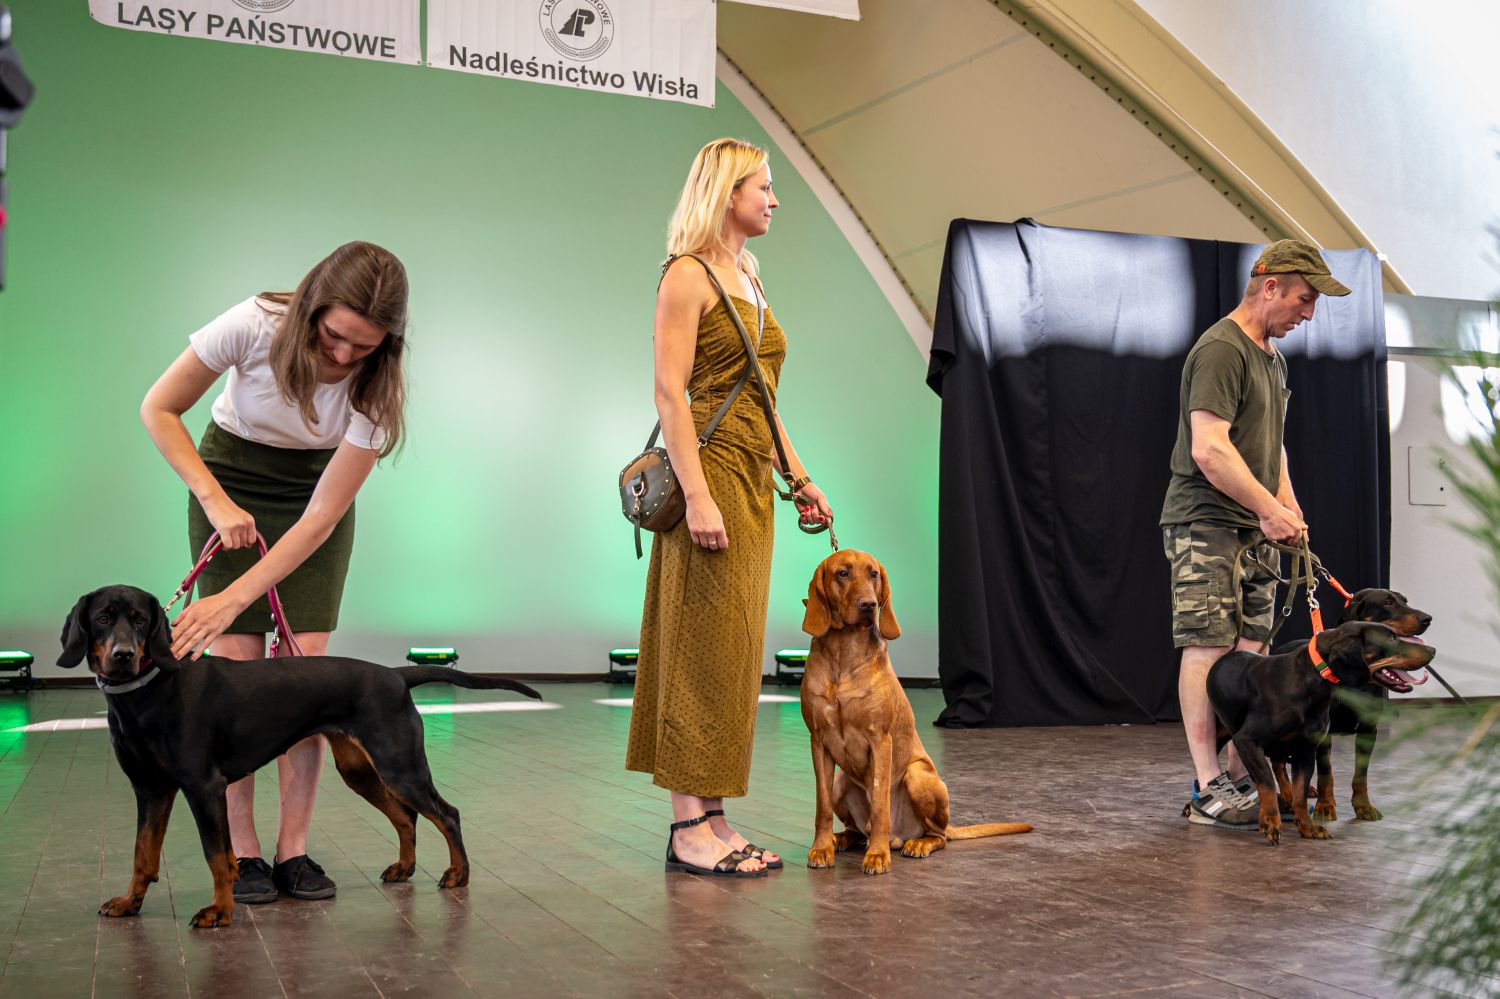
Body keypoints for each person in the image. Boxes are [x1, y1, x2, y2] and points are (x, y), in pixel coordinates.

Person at [140, 241, 409, 900]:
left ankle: (294, 852)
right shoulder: (255, 324)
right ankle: (243, 854)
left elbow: (319, 519)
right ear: (312, 306)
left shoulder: (379, 388)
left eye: (363, 345)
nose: (343, 355)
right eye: (334, 335)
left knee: (303, 673)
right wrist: (214, 500)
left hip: (314, 498)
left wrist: (233, 597)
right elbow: (158, 408)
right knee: (235, 676)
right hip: (228, 477)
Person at [625, 138, 833, 877]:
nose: (774, 199)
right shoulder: (687, 274)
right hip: (707, 476)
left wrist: (800, 478)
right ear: (725, 192)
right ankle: (688, 827)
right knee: (696, 649)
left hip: (750, 480)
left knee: (731, 654)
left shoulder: (750, 275)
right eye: (763, 186)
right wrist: (700, 496)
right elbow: (670, 393)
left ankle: (714, 816)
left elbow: (764, 401)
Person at [1160, 239, 1350, 829]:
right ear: (1270, 287)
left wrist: (1286, 505)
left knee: (1253, 653)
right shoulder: (1223, 349)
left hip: (1255, 527)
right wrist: (1268, 508)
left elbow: (1272, 444)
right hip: (1206, 521)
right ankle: (1209, 787)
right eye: (1304, 299)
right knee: (1208, 648)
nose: (1309, 314)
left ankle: (1246, 776)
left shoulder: (1273, 359)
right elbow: (1209, 449)